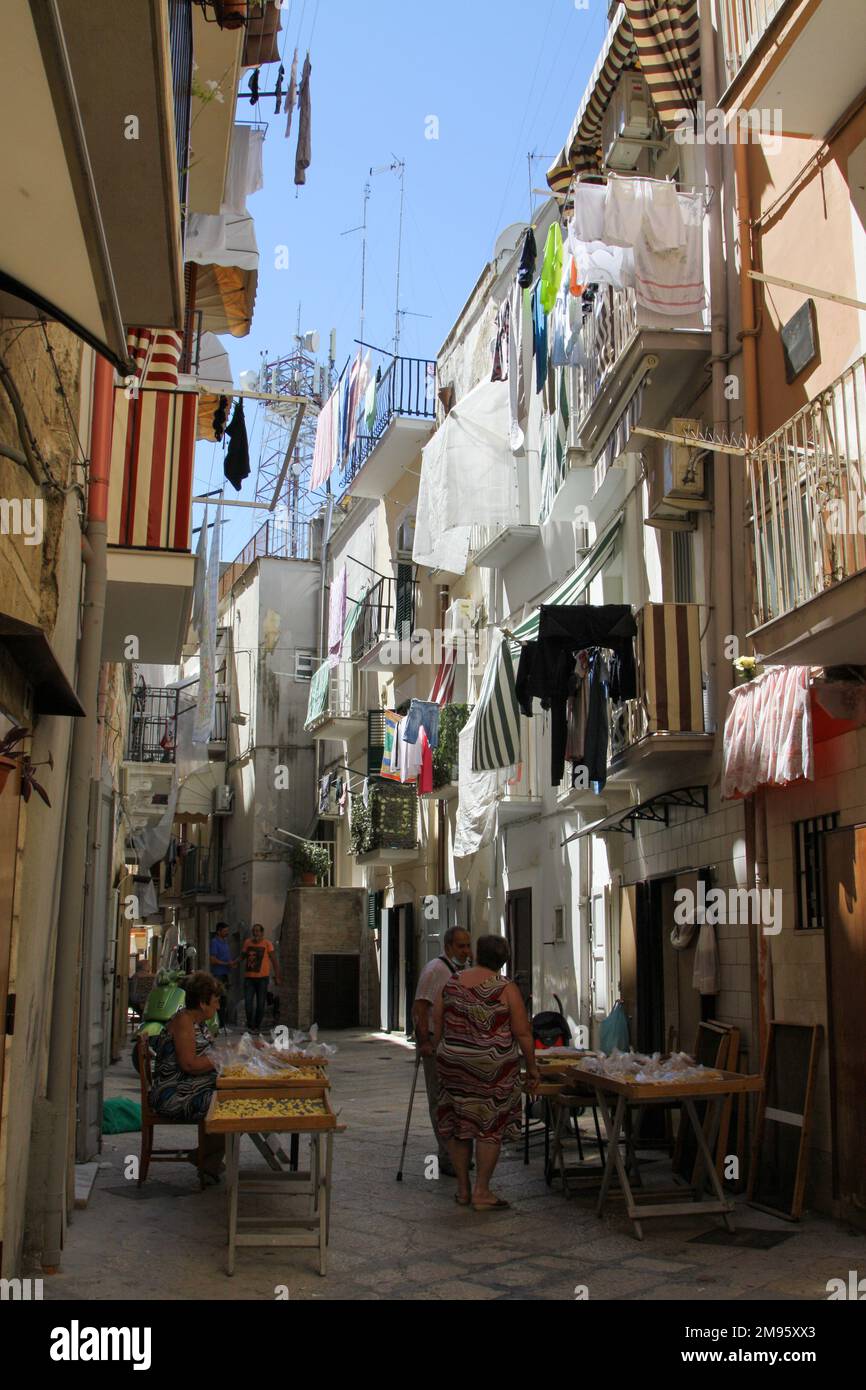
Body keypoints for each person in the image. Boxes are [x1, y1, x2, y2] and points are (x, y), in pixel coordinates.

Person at [433, 934, 540, 1211]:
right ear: (503, 960)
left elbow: (437, 1020)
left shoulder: (452, 982)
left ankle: (463, 1189)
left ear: (477, 954)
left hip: (454, 1065)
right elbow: (522, 1032)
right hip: (492, 1069)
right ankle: (482, 1191)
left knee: (459, 1125)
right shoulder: (506, 988)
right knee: (489, 1126)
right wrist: (532, 1068)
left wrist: (441, 1051)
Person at [147, 970, 225, 1182]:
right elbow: (189, 1064)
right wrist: (221, 1058)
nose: (218, 1007)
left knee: (235, 1096)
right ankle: (206, 1159)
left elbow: (208, 1053)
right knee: (228, 1105)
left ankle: (207, 1159)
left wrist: (235, 1051)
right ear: (202, 1003)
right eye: (215, 1002)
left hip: (190, 1086)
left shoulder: (198, 1023)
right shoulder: (184, 1021)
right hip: (174, 1093)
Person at [411, 926, 472, 1177]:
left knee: (457, 1100)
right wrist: (424, 1041)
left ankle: (458, 1153)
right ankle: (447, 1157)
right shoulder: (435, 970)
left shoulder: (461, 971)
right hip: (436, 1042)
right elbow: (420, 1007)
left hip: (456, 1043)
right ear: (448, 947)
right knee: (439, 1100)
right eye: (461, 946)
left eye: (468, 945)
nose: (466, 951)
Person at [241, 923, 281, 1032]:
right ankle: (250, 1025)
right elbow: (242, 956)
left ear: (262, 933)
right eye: (254, 931)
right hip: (249, 978)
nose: (255, 933)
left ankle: (257, 1026)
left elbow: (274, 961)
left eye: (258, 931)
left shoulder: (267, 944)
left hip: (262, 978)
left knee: (261, 1003)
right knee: (248, 1003)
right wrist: (234, 962)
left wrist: (277, 976)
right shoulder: (247, 942)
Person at [209, 921, 237, 1029]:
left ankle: (222, 1024)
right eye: (225, 931)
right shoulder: (215, 942)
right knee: (219, 999)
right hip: (218, 975)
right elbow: (212, 959)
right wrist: (226, 964)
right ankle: (219, 1025)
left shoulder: (225, 942)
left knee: (224, 1000)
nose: (227, 933)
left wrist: (231, 964)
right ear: (218, 931)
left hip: (225, 974)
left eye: (227, 931)